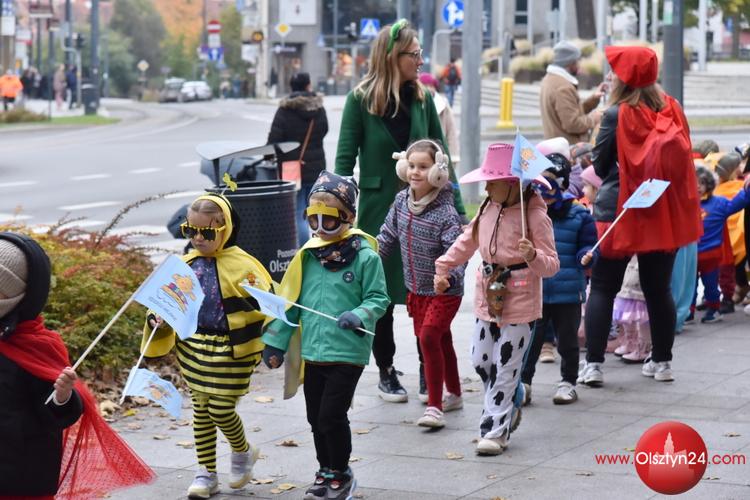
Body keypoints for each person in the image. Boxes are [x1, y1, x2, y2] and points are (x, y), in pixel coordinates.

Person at [335, 19, 466, 402]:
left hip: (429, 211)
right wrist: (337, 213)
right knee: (380, 295)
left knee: (430, 291)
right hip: (379, 211)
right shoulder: (360, 100)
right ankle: (387, 371)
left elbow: (441, 155)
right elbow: (344, 160)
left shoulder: (424, 98)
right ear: (393, 56)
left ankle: (429, 370)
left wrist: (458, 209)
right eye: (414, 54)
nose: (421, 61)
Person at [579, 45, 703, 386]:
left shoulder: (615, 114)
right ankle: (662, 362)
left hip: (618, 211)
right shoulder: (672, 108)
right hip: (661, 211)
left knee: (603, 287)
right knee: (658, 289)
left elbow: (600, 165)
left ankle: (594, 365)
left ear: (623, 78)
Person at [262, 172, 390, 500]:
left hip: (347, 351)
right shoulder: (307, 256)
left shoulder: (365, 257)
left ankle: (342, 472)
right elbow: (291, 304)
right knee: (314, 417)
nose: (319, 227)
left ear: (349, 217)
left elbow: (378, 299)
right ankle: (326, 470)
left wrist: (359, 314)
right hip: (313, 352)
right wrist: (275, 344)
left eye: (329, 219)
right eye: (312, 218)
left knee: (331, 416)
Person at [0, 232, 154, 498]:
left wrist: (62, 397)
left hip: (21, 467)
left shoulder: (39, 345)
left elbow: (55, 415)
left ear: (20, 294)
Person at [144, 194, 273, 499]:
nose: (198, 238)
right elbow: (164, 302)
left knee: (220, 408)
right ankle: (206, 472)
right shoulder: (184, 265)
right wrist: (156, 318)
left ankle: (242, 451)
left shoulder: (245, 266)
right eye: (191, 230)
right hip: (193, 346)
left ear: (225, 229)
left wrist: (274, 340)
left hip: (233, 349)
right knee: (201, 410)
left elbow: (269, 304)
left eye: (207, 232)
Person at [434, 143, 559, 455]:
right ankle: (512, 397)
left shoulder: (535, 217)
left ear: (512, 183)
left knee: (506, 366)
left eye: (492, 181)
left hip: (521, 301)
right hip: (487, 296)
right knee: (481, 360)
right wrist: (444, 266)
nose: (487, 187)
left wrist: (533, 255)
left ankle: (494, 431)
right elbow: (468, 239)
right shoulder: (488, 206)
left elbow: (551, 266)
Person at [378, 139, 466, 428]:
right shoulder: (401, 202)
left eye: (423, 167)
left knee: (428, 337)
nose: (415, 172)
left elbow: (458, 253)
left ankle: (434, 407)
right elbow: (387, 236)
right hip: (416, 289)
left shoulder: (446, 213)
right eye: (412, 165)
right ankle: (455, 393)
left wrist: (448, 277)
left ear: (438, 172)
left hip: (445, 291)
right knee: (442, 339)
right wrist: (368, 258)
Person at [521, 152, 596, 405]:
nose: (542, 189)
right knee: (531, 340)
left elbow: (587, 246)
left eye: (549, 181)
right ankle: (524, 383)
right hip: (536, 290)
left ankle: (568, 382)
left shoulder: (579, 215)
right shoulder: (527, 213)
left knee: (567, 340)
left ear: (561, 183)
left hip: (568, 290)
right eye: (537, 182)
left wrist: (586, 256)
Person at [268, 72, 329, 246]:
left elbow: (274, 139)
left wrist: (268, 156)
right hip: (316, 166)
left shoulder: (285, 109)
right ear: (308, 85)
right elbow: (324, 130)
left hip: (291, 169)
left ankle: (304, 248)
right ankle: (320, 246)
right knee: (315, 210)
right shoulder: (318, 108)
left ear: (291, 87)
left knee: (299, 212)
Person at [692, 166, 750, 323]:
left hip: (710, 254)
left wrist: (747, 188)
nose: (697, 186)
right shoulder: (686, 204)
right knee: (689, 286)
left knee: (711, 284)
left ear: (709, 184)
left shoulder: (718, 203)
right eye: (694, 182)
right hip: (691, 254)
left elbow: (738, 202)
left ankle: (713, 309)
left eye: (701, 183)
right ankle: (688, 312)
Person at [539, 41, 604, 144]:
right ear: (570, 62)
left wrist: (594, 99)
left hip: (557, 146)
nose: (579, 64)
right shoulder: (562, 87)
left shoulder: (550, 79)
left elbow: (571, 112)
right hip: (568, 149)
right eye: (577, 61)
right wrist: (593, 119)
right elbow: (572, 124)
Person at [714, 153, 748, 314]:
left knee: (733, 267)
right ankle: (738, 289)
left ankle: (738, 289)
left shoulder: (721, 188)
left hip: (729, 236)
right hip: (730, 235)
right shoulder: (735, 186)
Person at [612, 257, 652, 362]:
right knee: (626, 301)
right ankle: (631, 342)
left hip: (644, 258)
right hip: (630, 258)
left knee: (642, 306)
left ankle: (644, 347)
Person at [419, 72, 460, 170]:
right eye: (425, 86)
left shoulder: (443, 104)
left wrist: (453, 156)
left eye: (431, 86)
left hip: (440, 154)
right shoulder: (416, 105)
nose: (429, 89)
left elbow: (451, 131)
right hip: (420, 156)